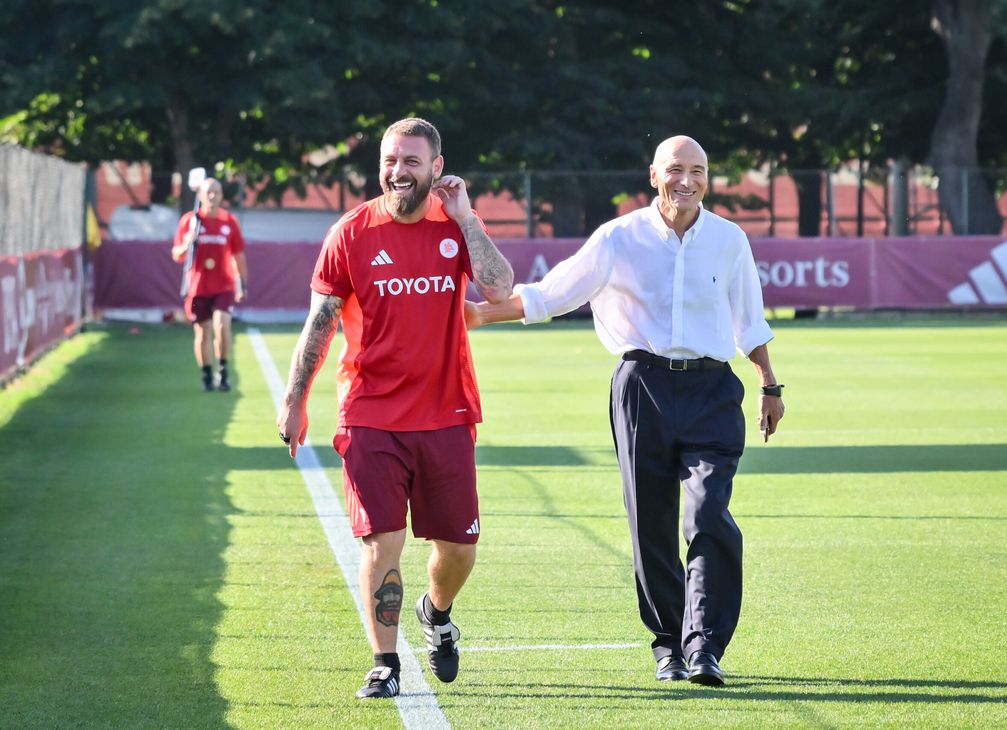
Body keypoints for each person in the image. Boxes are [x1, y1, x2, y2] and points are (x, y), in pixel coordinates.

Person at [470, 135, 785, 686]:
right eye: (675, 170)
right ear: (654, 175)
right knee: (651, 524)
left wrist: (770, 384)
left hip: (713, 392)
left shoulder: (730, 240)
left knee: (709, 515)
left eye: (698, 170)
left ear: (708, 178)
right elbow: (554, 293)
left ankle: (705, 646)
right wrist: (478, 316)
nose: (687, 181)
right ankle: (669, 644)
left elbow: (749, 320)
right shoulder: (619, 238)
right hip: (642, 389)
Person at [275, 117, 513, 700]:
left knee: (459, 549)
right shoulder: (351, 233)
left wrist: (463, 217)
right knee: (381, 541)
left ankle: (435, 613)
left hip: (447, 413)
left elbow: (500, 288)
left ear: (436, 167)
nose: (397, 171)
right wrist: (294, 399)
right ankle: (385, 661)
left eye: (411, 161)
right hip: (370, 416)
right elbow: (320, 324)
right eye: (389, 160)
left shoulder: (456, 226)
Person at [171, 178, 248, 392]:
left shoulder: (229, 221)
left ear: (222, 195)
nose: (213, 196)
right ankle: (206, 374)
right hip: (197, 287)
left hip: (224, 285)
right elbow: (176, 255)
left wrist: (242, 283)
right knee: (203, 332)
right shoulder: (190, 221)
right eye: (209, 192)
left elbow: (238, 255)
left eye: (217, 192)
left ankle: (223, 371)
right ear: (201, 195)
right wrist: (187, 243)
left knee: (223, 323)